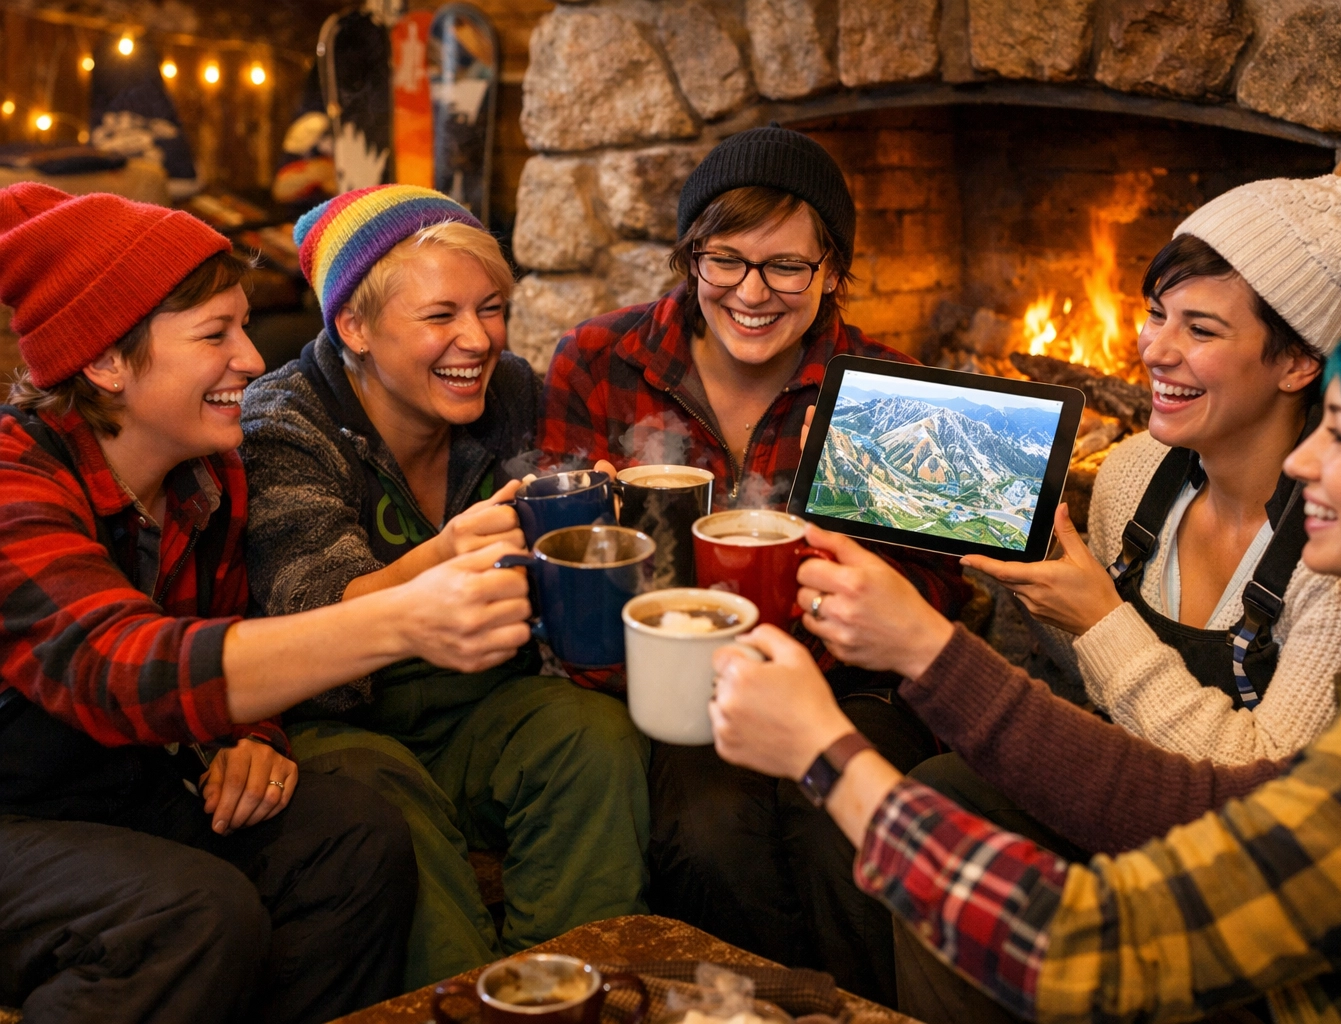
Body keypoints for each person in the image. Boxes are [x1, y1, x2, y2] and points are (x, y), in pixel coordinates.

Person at [711, 269, 1341, 1024]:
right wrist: (942, 643)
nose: (1303, 458)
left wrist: (825, 752)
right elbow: (1214, 808)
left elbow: (1087, 948)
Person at [0, 184, 537, 1021]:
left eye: (244, 327)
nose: (253, 360)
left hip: (118, 788)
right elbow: (119, 666)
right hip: (16, 816)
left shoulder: (205, 479)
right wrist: (402, 614)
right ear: (106, 360)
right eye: (217, 334)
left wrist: (251, 733)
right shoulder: (15, 482)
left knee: (351, 841)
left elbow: (235, 632)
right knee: (191, 913)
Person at [539, 125, 969, 988]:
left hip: (847, 682)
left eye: (787, 267)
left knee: (838, 830)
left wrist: (856, 513)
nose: (751, 291)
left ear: (834, 271)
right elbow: (568, 575)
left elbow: (934, 592)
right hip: (670, 683)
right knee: (707, 830)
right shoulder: (599, 359)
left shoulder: (880, 386)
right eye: (724, 260)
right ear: (690, 256)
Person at [239, 184, 651, 989]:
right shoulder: (285, 425)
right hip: (337, 722)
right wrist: (441, 556)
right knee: (378, 799)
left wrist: (599, 521)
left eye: (491, 307)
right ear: (352, 327)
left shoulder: (515, 395)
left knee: (591, 737)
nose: (478, 339)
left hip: (482, 706)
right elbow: (312, 619)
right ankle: (465, 1003)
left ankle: (571, 998)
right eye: (441, 316)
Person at [968, 175, 1341, 767]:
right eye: (1157, 315)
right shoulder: (1133, 473)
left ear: (1296, 362)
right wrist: (1024, 566)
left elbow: (1271, 785)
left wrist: (1103, 619)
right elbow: (1105, 685)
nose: (1156, 350)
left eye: (1200, 329)